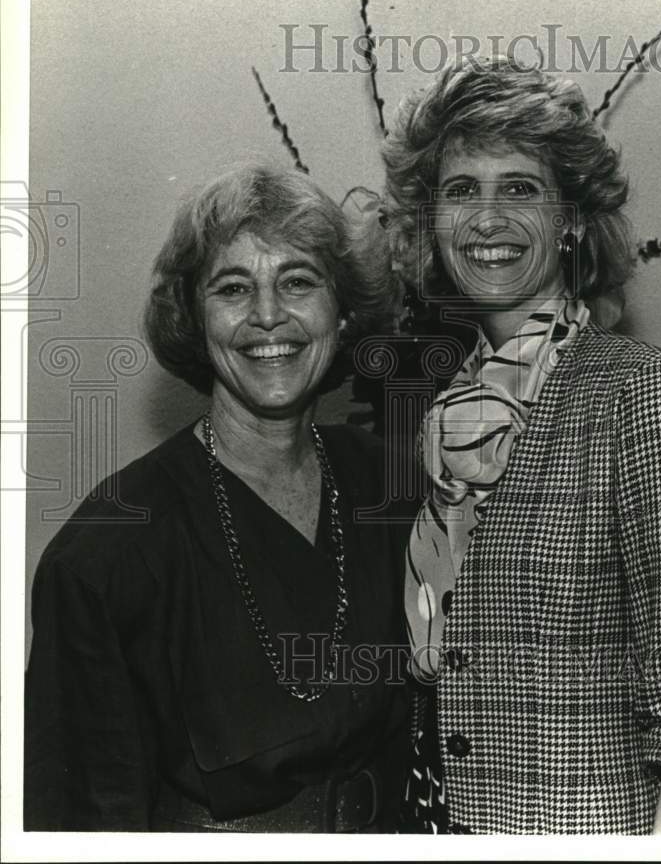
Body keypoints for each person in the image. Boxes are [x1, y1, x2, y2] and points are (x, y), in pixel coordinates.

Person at [382, 55, 661, 835]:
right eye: (459, 191)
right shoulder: (444, 420)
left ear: (571, 218)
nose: (486, 219)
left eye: (519, 187)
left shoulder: (645, 394)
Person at [24, 163, 409, 832]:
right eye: (233, 287)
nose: (267, 315)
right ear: (194, 319)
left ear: (342, 312)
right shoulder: (108, 550)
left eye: (297, 281)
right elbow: (83, 818)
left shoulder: (391, 488)